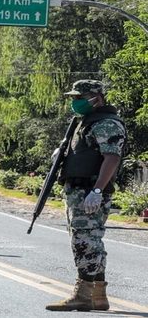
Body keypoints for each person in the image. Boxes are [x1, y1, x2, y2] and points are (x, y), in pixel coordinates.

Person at [45, 80, 126, 312]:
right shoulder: (86, 122)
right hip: (80, 191)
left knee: (85, 242)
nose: (74, 102)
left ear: (96, 98)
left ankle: (83, 294)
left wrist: (98, 191)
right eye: (73, 98)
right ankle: (98, 295)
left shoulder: (106, 123)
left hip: (89, 191)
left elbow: (112, 157)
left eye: (79, 97)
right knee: (91, 241)